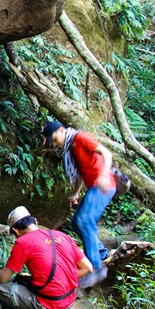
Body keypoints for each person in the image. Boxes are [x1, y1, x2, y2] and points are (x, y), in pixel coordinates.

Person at [42, 120, 115, 288]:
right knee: (76, 223)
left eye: (54, 139)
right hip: (93, 186)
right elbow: (81, 172)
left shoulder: (80, 138)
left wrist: (103, 176)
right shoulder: (71, 148)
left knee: (85, 221)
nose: (55, 144)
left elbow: (106, 153)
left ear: (61, 130)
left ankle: (95, 268)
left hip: (104, 185)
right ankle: (102, 254)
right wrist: (76, 193)